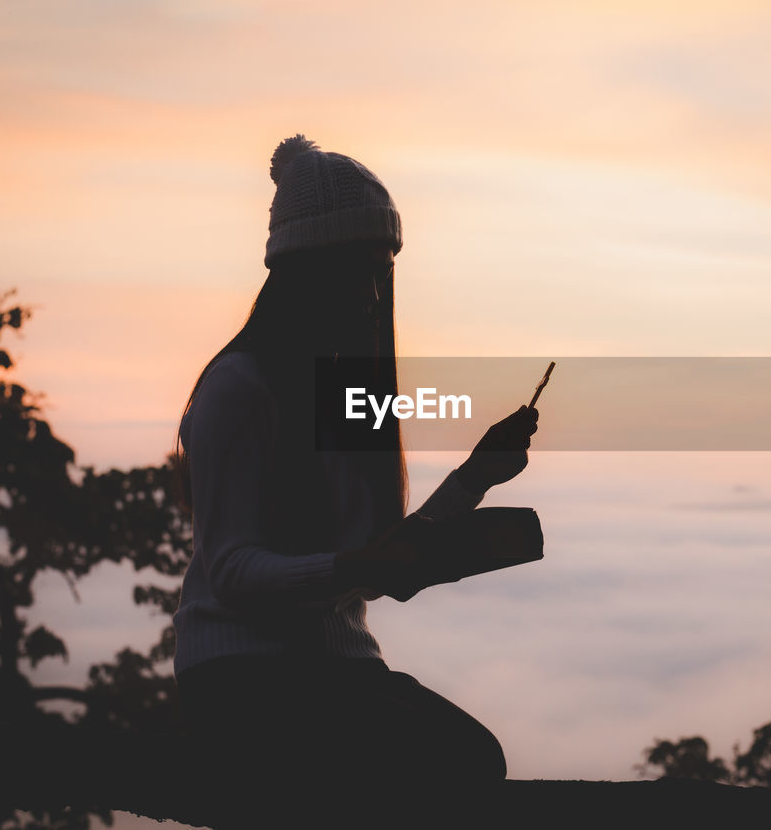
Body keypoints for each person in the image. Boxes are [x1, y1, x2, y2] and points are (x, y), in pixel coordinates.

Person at [169, 134, 538, 825]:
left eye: (383, 272)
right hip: (242, 680)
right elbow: (233, 572)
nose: (373, 295)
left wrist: (475, 477)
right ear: (303, 272)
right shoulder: (238, 389)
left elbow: (373, 566)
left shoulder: (344, 396)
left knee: (474, 756)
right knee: (453, 766)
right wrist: (359, 562)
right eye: (357, 271)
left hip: (335, 672)